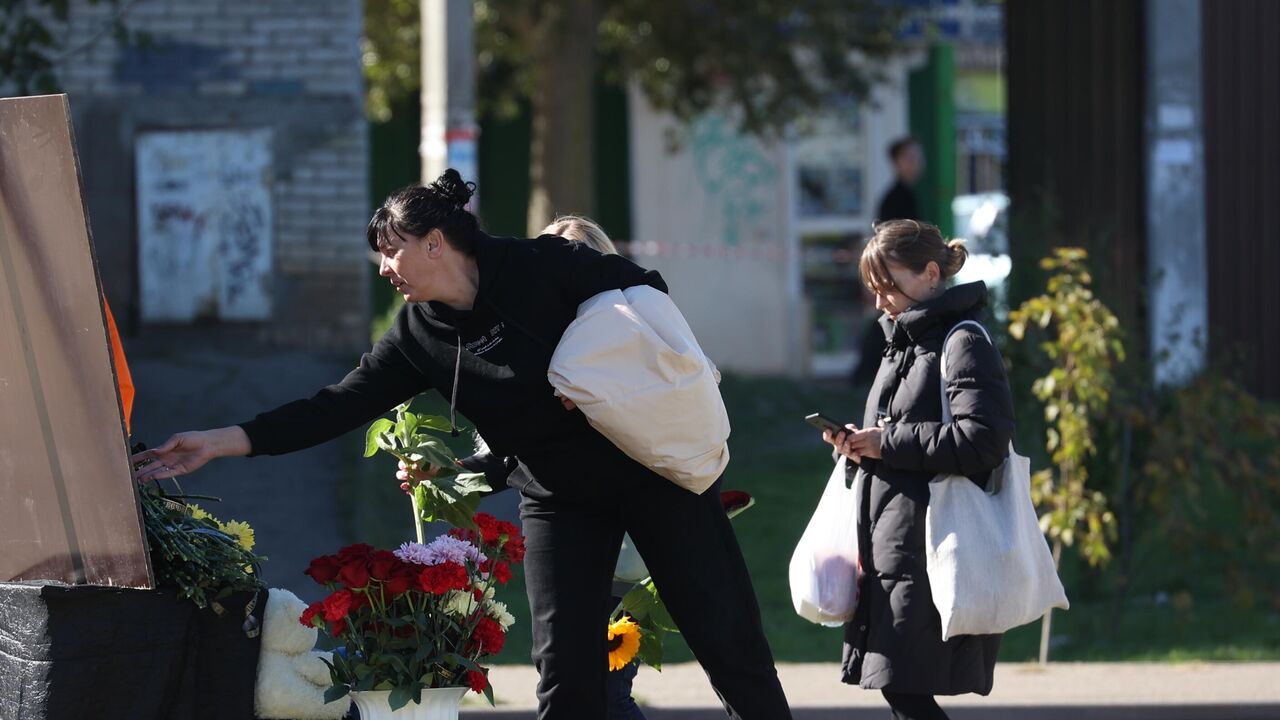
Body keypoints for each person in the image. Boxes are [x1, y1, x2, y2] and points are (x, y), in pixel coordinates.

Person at [133, 171, 792, 720]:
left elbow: (646, 290)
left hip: (651, 470)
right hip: (560, 496)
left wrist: (596, 374)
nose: (384, 268)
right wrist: (221, 442)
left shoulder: (539, 264)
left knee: (725, 636)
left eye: (391, 252)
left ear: (436, 243)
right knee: (564, 669)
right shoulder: (417, 335)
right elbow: (336, 405)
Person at [398, 213, 649, 719]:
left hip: (623, 544)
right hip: (571, 546)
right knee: (573, 684)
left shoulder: (620, 340)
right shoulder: (531, 342)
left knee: (607, 690)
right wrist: (445, 475)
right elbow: (511, 460)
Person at [820, 219, 1013, 720]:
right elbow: (899, 435)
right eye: (874, 291)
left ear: (930, 273)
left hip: (931, 545)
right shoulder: (900, 343)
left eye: (889, 287)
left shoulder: (961, 341)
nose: (881, 302)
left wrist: (887, 443)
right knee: (900, 688)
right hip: (893, 542)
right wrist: (857, 444)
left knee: (903, 688)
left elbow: (983, 439)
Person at [851, 138, 928, 388]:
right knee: (887, 320)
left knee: (887, 321)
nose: (917, 163)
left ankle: (865, 375)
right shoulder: (896, 198)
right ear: (897, 163)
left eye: (918, 157)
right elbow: (892, 243)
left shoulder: (906, 194)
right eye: (910, 158)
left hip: (899, 275)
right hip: (897, 276)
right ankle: (864, 375)